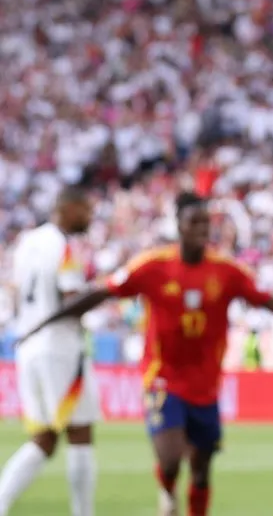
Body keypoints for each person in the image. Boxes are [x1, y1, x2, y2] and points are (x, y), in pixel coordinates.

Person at [20, 192, 273, 516]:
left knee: (201, 468)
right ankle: (167, 491)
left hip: (206, 385)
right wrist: (45, 322)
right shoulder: (152, 266)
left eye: (206, 223)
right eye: (194, 222)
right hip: (163, 378)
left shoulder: (227, 272)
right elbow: (99, 294)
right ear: (178, 225)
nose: (201, 229)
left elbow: (272, 303)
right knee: (170, 459)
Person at [0, 187, 99, 516]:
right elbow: (72, 299)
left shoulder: (27, 243)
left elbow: (14, 293)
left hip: (28, 346)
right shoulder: (62, 246)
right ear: (68, 209)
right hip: (59, 346)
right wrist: (100, 296)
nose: (89, 217)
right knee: (80, 429)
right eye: (85, 210)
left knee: (44, 437)